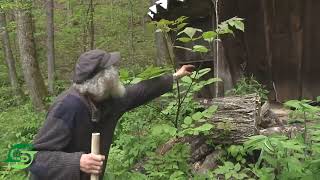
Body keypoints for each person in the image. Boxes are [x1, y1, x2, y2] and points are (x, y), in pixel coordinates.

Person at [29, 49, 194, 180]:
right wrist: (76, 162)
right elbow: (31, 157)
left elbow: (141, 91)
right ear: (102, 80)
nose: (116, 71)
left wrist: (174, 77)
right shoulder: (67, 107)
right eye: (111, 69)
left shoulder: (108, 100)